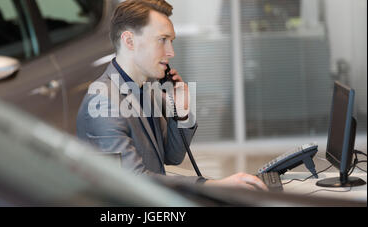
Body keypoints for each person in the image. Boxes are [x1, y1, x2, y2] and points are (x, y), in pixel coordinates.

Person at [77, 0, 268, 191]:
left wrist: (182, 113)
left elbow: (172, 156)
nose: (171, 52)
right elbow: (133, 181)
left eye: (171, 41)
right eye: (162, 40)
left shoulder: (146, 91)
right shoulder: (103, 101)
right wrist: (213, 186)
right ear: (129, 41)